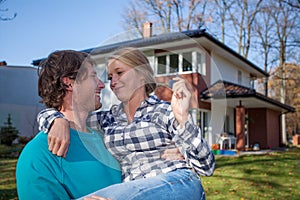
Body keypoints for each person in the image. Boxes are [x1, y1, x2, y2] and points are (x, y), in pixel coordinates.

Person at [38, 47, 216, 199]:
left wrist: (183, 118)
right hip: (136, 190)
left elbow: (206, 167)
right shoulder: (107, 120)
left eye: (119, 73)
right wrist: (56, 120)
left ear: (142, 75)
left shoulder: (165, 112)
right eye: (110, 77)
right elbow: (71, 116)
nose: (112, 83)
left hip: (179, 183)